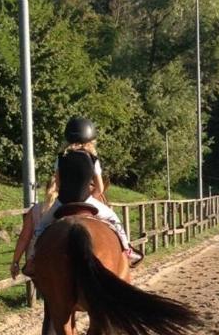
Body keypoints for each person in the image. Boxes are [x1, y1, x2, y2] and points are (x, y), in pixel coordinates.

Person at [28, 116, 143, 271]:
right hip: (87, 200)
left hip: (62, 202)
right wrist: (91, 198)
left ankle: (32, 259)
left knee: (41, 228)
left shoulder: (60, 158)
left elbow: (59, 184)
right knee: (114, 220)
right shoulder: (93, 159)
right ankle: (128, 251)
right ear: (90, 138)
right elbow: (100, 189)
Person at [10, 176, 59, 335]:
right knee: (56, 303)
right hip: (56, 261)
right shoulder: (63, 209)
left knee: (51, 300)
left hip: (35, 262)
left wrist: (15, 262)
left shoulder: (36, 210)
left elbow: (24, 237)